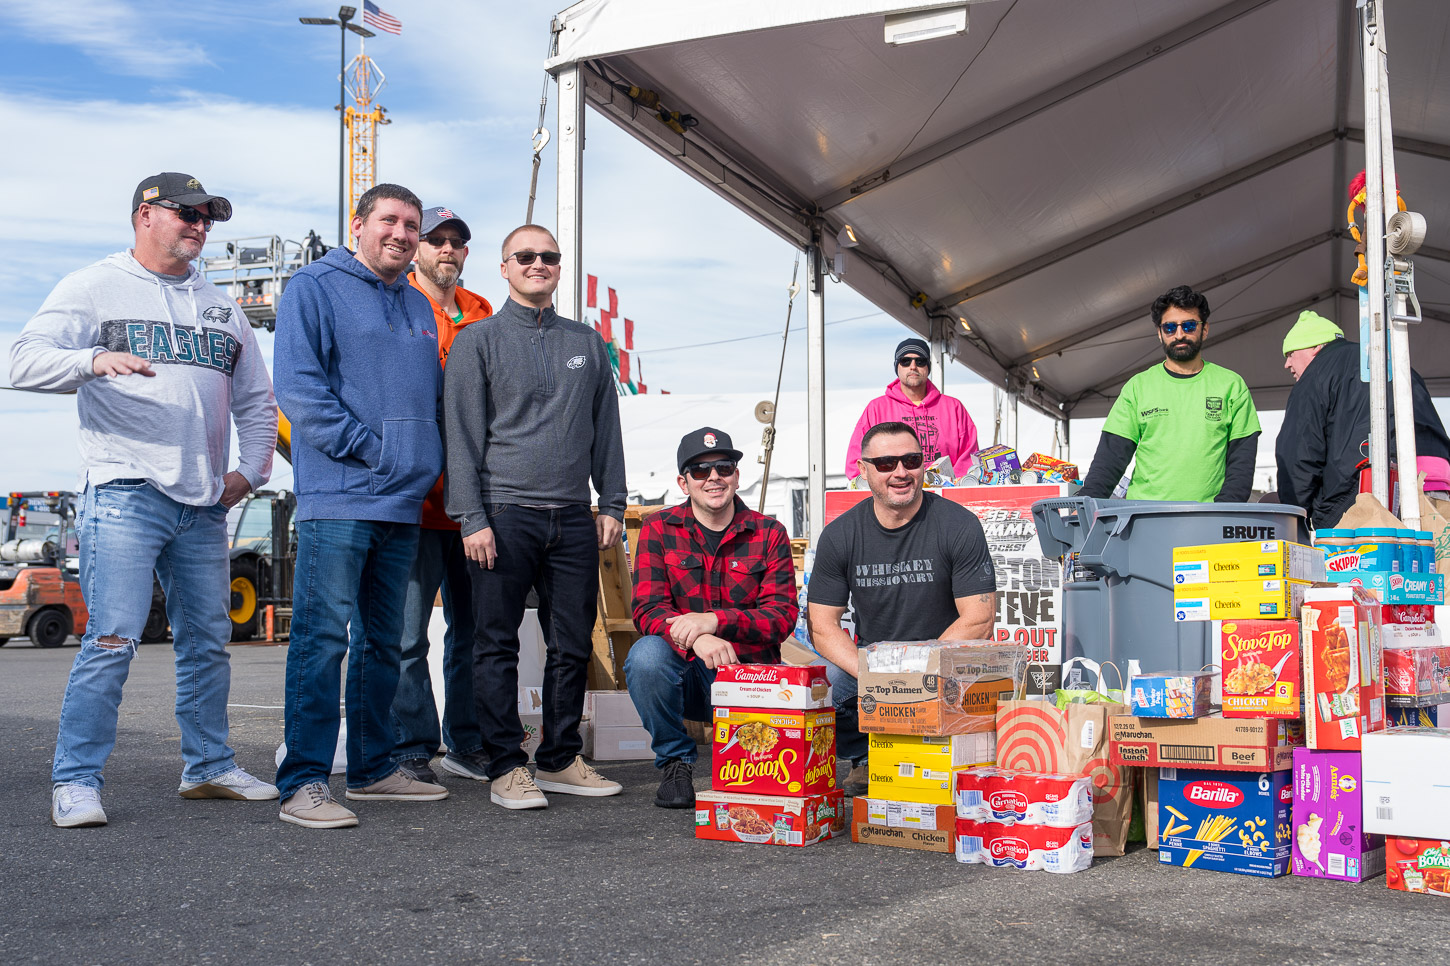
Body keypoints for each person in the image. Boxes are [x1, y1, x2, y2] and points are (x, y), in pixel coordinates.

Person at [10, 171, 278, 827]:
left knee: (209, 643)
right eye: (186, 212)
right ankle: (74, 781)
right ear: (144, 216)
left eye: (207, 215)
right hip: (124, 491)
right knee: (111, 639)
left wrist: (249, 474)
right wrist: (91, 362)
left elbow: (256, 403)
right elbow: (19, 360)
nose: (199, 223)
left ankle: (209, 768)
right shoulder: (95, 286)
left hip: (203, 504)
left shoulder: (222, 307)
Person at [273, 183, 449, 829]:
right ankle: (304, 782)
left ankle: (374, 768)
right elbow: (299, 388)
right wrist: (373, 451)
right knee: (321, 641)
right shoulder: (312, 288)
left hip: (402, 502)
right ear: (358, 225)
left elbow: (430, 402)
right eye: (389, 221)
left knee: (382, 642)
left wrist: (422, 464)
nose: (401, 233)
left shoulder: (418, 304)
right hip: (340, 496)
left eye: (411, 225)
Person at [444, 223, 628, 810]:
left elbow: (607, 432)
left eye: (548, 256)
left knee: (571, 643)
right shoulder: (478, 341)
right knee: (494, 644)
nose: (538, 264)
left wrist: (613, 503)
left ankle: (558, 757)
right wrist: (471, 517)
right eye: (524, 256)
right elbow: (462, 436)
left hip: (573, 516)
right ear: (503, 267)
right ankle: (504, 765)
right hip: (504, 514)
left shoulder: (587, 342)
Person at [807, 421, 998, 796]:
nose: (900, 472)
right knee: (825, 681)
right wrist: (875, 674)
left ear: (924, 464)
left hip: (948, 665)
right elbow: (821, 626)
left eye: (910, 460)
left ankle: (956, 761)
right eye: (885, 463)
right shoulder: (840, 535)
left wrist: (918, 671)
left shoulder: (959, 524)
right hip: (876, 669)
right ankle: (863, 758)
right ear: (863, 471)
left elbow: (979, 619)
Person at [626, 428, 799, 808]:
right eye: (700, 471)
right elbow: (647, 608)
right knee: (646, 656)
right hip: (688, 677)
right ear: (683, 481)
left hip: (752, 677)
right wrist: (697, 637)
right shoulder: (658, 527)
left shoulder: (770, 533)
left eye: (723, 467)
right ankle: (675, 763)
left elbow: (782, 616)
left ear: (737, 475)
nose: (713, 478)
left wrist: (715, 621)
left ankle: (749, 759)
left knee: (761, 789)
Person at [386, 205, 494, 784]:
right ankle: (413, 747)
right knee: (406, 636)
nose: (446, 249)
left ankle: (467, 742)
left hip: (473, 504)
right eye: (436, 239)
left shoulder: (482, 312)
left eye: (456, 241)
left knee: (473, 632)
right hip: (414, 502)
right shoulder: (396, 303)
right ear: (417, 248)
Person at [1079, 285, 1261, 502]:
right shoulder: (1138, 387)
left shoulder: (1231, 385)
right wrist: (1085, 504)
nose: (1179, 334)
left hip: (1209, 520)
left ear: (1204, 329)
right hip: (1144, 520)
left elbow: (1241, 465)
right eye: (1170, 328)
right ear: (1159, 333)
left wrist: (1221, 513)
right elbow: (1110, 459)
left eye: (1189, 325)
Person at [1276, 310, 1450, 529]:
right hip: (1435, 481)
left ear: (1315, 347)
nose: (1287, 364)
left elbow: (1299, 451)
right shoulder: (1392, 360)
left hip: (1370, 488)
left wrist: (1295, 514)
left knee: (1367, 560)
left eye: (1290, 353)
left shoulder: (1316, 375)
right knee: (1433, 559)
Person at [844, 337, 979, 481]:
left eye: (920, 361)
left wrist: (952, 486)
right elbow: (856, 462)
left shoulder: (953, 408)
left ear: (928, 367)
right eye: (905, 361)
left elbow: (969, 456)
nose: (913, 366)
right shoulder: (876, 408)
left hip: (943, 494)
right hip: (894, 495)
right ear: (897, 366)